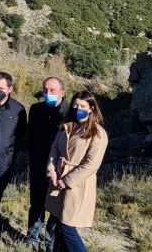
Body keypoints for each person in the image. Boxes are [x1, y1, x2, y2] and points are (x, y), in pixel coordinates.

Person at [45, 91, 108, 252]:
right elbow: (54, 149)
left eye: (82, 106)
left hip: (77, 185)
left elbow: (92, 164)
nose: (77, 108)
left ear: (92, 108)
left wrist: (67, 180)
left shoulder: (97, 133)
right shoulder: (66, 127)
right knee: (57, 222)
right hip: (57, 179)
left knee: (68, 227)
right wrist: (52, 171)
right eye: (75, 105)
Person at [0, 71, 27, 236]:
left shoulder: (18, 110)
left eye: (1, 87)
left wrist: (13, 162)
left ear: (10, 89)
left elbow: (20, 137)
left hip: (3, 164)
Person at [27, 77, 68, 250]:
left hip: (58, 169)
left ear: (62, 92)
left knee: (55, 207)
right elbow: (30, 136)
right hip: (38, 165)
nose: (48, 93)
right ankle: (32, 239)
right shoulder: (35, 110)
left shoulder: (68, 114)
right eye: (45, 90)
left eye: (52, 90)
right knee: (36, 204)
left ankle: (50, 241)